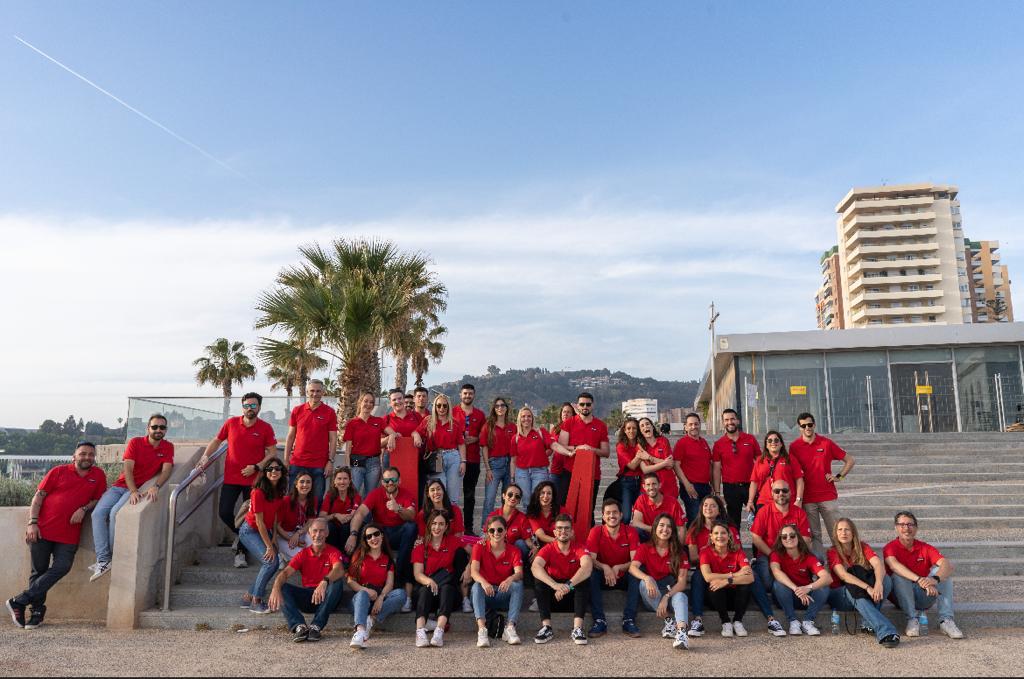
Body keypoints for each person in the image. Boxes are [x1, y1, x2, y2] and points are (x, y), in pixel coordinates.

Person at [7, 442, 106, 630]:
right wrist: (32, 523)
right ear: (74, 456)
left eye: (91, 454)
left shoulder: (98, 475)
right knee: (38, 571)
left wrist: (84, 508)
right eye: (83, 454)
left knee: (62, 566)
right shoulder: (58, 471)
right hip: (42, 529)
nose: (87, 457)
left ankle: (19, 600)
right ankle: (36, 612)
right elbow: (38, 496)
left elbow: (98, 498)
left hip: (69, 534)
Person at [89, 414, 174, 581]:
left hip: (139, 488)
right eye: (154, 427)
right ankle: (104, 559)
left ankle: (107, 559)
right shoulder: (136, 442)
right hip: (122, 486)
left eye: (162, 427)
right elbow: (128, 469)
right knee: (97, 514)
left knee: (115, 513)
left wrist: (156, 486)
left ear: (166, 430)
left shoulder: (167, 447)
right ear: (148, 428)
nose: (158, 430)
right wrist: (133, 490)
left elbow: (166, 470)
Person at [199, 393, 278, 569]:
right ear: (242, 407)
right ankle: (242, 534)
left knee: (250, 517)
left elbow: (272, 453)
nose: (250, 408)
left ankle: (241, 554)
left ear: (259, 407)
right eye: (247, 405)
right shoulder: (231, 423)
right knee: (224, 512)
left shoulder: (265, 428)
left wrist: (256, 467)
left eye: (253, 405)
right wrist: (205, 457)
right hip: (231, 479)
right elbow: (216, 441)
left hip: (255, 482)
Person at [347, 467, 417, 612]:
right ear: (382, 481)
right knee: (363, 528)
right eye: (387, 480)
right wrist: (353, 534)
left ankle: (399, 574)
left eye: (393, 479)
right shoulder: (375, 494)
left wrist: (398, 508)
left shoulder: (406, 494)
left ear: (399, 481)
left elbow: (411, 515)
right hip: (381, 534)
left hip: (399, 533)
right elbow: (360, 513)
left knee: (411, 527)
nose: (390, 482)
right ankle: (356, 575)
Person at [884, 511, 963, 639]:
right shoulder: (890, 547)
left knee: (943, 573)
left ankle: (946, 620)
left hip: (924, 594)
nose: (906, 528)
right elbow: (894, 566)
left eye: (910, 524)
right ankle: (912, 619)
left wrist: (934, 579)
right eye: (902, 524)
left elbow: (946, 564)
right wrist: (920, 580)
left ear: (916, 528)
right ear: (896, 528)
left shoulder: (924, 547)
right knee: (898, 575)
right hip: (900, 596)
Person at [266, 518, 345, 642]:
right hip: (309, 597)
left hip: (327, 598)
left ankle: (316, 627)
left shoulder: (333, 552)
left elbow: (339, 570)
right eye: (315, 531)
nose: (318, 535)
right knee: (282, 587)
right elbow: (285, 573)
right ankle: (300, 627)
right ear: (309, 533)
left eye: (321, 531)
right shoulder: (303, 554)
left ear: (327, 533)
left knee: (337, 583)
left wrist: (324, 581)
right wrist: (275, 588)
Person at [749, 479, 810, 636]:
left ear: (790, 492)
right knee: (768, 584)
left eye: (784, 490)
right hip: (769, 554)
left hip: (793, 554)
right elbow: (756, 538)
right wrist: (772, 554)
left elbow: (806, 539)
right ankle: (758, 567)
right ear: (772, 493)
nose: (781, 494)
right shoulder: (764, 511)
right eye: (777, 491)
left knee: (818, 559)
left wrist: (792, 554)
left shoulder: (799, 512)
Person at [788, 412, 854, 557]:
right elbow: (794, 473)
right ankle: (819, 564)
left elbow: (850, 460)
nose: (807, 427)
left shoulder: (826, 443)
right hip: (807, 498)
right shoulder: (794, 447)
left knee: (837, 533)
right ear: (799, 428)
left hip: (827, 497)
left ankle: (844, 562)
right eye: (803, 426)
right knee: (814, 536)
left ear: (814, 425)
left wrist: (839, 477)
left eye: (809, 424)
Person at [826, 518, 900, 647]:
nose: (843, 533)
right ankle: (886, 630)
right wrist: (868, 588)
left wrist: (878, 584)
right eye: (840, 530)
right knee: (853, 589)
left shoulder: (863, 547)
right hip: (840, 596)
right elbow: (843, 575)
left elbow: (878, 564)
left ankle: (867, 623)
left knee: (886, 580)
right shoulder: (832, 551)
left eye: (847, 529)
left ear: (853, 532)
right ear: (835, 533)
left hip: (861, 593)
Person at [627, 514, 691, 650]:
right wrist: (647, 578)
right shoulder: (645, 547)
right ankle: (669, 620)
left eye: (669, 526)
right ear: (655, 528)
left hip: (671, 591)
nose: (665, 529)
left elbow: (682, 583)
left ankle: (682, 633)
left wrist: (666, 597)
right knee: (643, 584)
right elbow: (632, 568)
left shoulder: (679, 552)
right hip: (653, 594)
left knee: (681, 596)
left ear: (673, 531)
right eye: (661, 525)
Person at [683, 495, 740, 638]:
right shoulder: (694, 529)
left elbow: (737, 551)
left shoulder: (730, 528)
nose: (708, 508)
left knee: (752, 575)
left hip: (727, 568)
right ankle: (698, 620)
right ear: (701, 509)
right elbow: (693, 558)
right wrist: (710, 555)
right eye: (705, 505)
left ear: (720, 509)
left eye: (713, 505)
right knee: (697, 576)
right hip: (705, 569)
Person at [531, 514, 593, 645]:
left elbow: (587, 566)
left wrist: (568, 586)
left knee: (584, 579)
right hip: (554, 596)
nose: (563, 531)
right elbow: (535, 567)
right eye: (559, 528)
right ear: (554, 532)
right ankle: (546, 627)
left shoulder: (579, 547)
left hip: (572, 595)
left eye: (566, 528)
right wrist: (555, 585)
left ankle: (577, 629)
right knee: (539, 580)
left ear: (572, 532)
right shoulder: (548, 548)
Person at [586, 499, 641, 638]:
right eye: (608, 513)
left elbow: (635, 560)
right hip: (603, 576)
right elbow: (591, 559)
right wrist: (605, 567)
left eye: (615, 512)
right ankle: (599, 621)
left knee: (636, 574)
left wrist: (619, 567)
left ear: (621, 515)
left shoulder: (630, 532)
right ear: (603, 516)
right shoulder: (596, 531)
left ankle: (629, 620)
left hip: (622, 576)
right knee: (590, 574)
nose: (612, 516)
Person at [554, 393, 610, 529]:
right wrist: (577, 448)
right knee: (566, 508)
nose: (585, 407)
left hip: (592, 474)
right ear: (577, 406)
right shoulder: (569, 423)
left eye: (588, 404)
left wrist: (591, 449)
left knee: (588, 510)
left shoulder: (600, 425)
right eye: (582, 404)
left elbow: (606, 452)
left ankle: (588, 539)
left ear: (592, 405)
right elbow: (561, 445)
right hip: (569, 472)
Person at [239, 458, 288, 613]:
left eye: (277, 468)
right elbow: (259, 522)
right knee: (270, 562)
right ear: (264, 472)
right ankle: (256, 601)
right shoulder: (258, 492)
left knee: (273, 563)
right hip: (249, 531)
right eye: (270, 469)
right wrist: (269, 546)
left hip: (266, 530)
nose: (274, 471)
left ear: (282, 471)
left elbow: (275, 516)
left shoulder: (279, 490)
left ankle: (248, 597)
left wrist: (274, 537)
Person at [347, 523, 405, 649]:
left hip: (378, 601)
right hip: (361, 600)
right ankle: (360, 632)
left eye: (376, 534)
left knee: (401, 594)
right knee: (362, 594)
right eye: (369, 536)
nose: (373, 538)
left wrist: (381, 597)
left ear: (382, 536)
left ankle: (370, 621)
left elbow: (389, 584)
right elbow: (350, 581)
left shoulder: (387, 559)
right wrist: (366, 590)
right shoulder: (359, 555)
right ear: (366, 540)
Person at [470, 515, 525, 648]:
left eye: (500, 530)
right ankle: (482, 630)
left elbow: (519, 573)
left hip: (502, 593)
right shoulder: (479, 547)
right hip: (485, 594)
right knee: (477, 586)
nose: (496, 533)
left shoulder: (514, 550)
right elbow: (474, 572)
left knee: (518, 585)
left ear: (506, 531)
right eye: (492, 530)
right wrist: (484, 582)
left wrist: (510, 579)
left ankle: (510, 628)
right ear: (487, 532)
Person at [412, 509, 463, 648]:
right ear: (429, 525)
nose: (437, 527)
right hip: (427, 593)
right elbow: (417, 574)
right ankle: (420, 632)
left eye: (441, 524)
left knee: (447, 589)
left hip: (447, 595)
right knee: (425, 590)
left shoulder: (453, 541)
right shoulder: (421, 546)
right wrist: (429, 581)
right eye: (434, 523)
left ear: (446, 526)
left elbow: (475, 550)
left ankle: (439, 632)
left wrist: (469, 567)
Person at [770, 524, 831, 636]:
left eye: (792, 535)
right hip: (785, 597)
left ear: (798, 536)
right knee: (778, 584)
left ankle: (807, 621)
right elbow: (776, 572)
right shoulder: (776, 554)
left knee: (824, 587)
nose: (788, 538)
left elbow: (827, 578)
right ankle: (793, 621)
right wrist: (796, 589)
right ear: (781, 540)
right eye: (784, 537)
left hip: (806, 598)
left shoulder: (808, 556)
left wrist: (808, 588)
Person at [284, 379, 338, 502]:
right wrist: (286, 460)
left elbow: (333, 438)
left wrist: (330, 461)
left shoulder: (330, 412)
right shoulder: (297, 410)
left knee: (317, 500)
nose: (315, 394)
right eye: (312, 391)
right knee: (292, 499)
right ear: (307, 392)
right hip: (297, 463)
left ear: (323, 392)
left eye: (318, 391)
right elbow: (291, 436)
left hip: (319, 465)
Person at [699, 521, 754, 638]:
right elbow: (707, 577)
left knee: (745, 585)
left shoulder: (738, 551)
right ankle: (726, 622)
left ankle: (738, 621)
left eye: (723, 533)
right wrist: (734, 574)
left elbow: (750, 577)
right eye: (716, 533)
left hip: (735, 599)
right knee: (714, 584)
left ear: (729, 536)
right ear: (711, 537)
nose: (720, 536)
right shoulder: (705, 551)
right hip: (716, 600)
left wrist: (727, 581)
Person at [712, 409, 760, 528]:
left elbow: (760, 461)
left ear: (738, 420)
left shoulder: (750, 439)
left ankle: (759, 541)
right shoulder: (718, 444)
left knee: (759, 520)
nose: (730, 422)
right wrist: (717, 492)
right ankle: (735, 541)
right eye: (726, 420)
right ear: (723, 423)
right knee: (733, 523)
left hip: (751, 486)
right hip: (730, 488)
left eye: (732, 419)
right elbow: (716, 469)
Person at [417, 393, 467, 505]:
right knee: (439, 489)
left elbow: (461, 444)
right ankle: (438, 514)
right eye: (439, 405)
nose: (442, 408)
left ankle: (452, 514)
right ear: (435, 406)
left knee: (453, 491)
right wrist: (416, 436)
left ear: (448, 407)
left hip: (453, 457)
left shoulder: (454, 423)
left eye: (445, 405)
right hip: (437, 458)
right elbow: (416, 432)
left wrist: (463, 462)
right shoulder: (428, 421)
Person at [745, 431, 804, 516]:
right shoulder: (760, 461)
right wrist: (750, 501)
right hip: (764, 502)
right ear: (766, 445)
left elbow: (799, 480)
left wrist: (798, 500)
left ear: (781, 444)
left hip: (786, 501)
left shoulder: (790, 459)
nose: (773, 442)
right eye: (770, 441)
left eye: (776, 440)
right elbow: (754, 482)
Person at [671, 412, 714, 527]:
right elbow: (676, 465)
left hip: (705, 487)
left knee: (706, 520)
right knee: (695, 520)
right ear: (685, 427)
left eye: (696, 424)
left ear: (700, 425)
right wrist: (687, 485)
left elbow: (709, 465)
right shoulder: (682, 443)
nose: (694, 427)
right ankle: (689, 539)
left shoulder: (704, 442)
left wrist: (713, 487)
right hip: (691, 487)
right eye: (690, 424)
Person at [342, 392, 385, 499]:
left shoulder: (379, 421)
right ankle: (353, 511)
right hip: (356, 463)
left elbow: (392, 432)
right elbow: (348, 450)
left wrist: (392, 436)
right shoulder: (352, 423)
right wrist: (347, 468)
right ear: (360, 402)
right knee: (353, 493)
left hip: (374, 464)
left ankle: (366, 511)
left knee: (370, 496)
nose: (368, 404)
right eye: (366, 401)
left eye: (371, 402)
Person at [456, 384, 487, 534]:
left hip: (473, 459)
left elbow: (484, 434)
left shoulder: (480, 415)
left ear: (474, 395)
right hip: (455, 459)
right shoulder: (452, 412)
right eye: (465, 393)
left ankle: (468, 528)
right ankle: (452, 528)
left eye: (470, 393)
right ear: (460, 395)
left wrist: (475, 439)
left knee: (469, 496)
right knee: (451, 495)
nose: (467, 396)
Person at [481, 397, 516, 517]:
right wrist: (488, 469)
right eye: (497, 406)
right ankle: (485, 526)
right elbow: (484, 448)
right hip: (494, 465)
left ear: (506, 408)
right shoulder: (488, 426)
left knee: (508, 501)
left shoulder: (513, 427)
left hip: (510, 465)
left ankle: (506, 525)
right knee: (489, 500)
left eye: (502, 405)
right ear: (494, 409)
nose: (500, 408)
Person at [511, 406, 553, 502]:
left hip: (539, 472)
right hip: (522, 473)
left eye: (529, 416)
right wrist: (512, 478)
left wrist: (568, 452)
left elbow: (552, 447)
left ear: (532, 418)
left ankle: (536, 513)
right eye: (523, 416)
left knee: (538, 499)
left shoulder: (540, 432)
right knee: (526, 500)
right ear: (519, 419)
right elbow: (513, 461)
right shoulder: (515, 438)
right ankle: (527, 513)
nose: (526, 418)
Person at [276, 472, 319, 561]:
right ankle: (280, 554)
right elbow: (277, 526)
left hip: (301, 532)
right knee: (301, 557)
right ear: (296, 484)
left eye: (308, 482)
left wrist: (298, 533)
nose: (305, 485)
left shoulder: (313, 500)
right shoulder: (286, 500)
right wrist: (291, 539)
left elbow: (310, 521)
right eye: (302, 482)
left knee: (315, 548)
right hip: (284, 535)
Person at [485, 483, 532, 563]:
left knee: (520, 543)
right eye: (510, 494)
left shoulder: (522, 518)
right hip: (497, 550)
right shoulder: (493, 515)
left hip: (514, 554)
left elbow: (528, 540)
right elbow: (487, 536)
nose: (513, 498)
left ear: (519, 501)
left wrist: (534, 548)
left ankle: (520, 565)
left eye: (517, 496)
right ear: (503, 496)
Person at [630, 473, 685, 541]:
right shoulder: (641, 499)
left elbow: (681, 527)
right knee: (636, 530)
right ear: (644, 487)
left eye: (654, 484)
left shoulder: (672, 502)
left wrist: (679, 546)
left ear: (660, 485)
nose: (651, 487)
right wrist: (655, 529)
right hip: (649, 536)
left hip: (667, 536)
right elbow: (636, 522)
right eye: (648, 485)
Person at [614, 418, 649, 526]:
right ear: (624, 430)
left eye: (634, 428)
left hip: (642, 482)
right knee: (626, 516)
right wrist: (641, 453)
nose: (631, 431)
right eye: (628, 428)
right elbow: (632, 466)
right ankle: (622, 535)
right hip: (627, 483)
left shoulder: (642, 443)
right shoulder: (621, 446)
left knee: (643, 514)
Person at [382, 388, 423, 474]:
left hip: (413, 458)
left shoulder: (416, 416)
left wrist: (416, 434)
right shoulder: (386, 419)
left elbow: (424, 435)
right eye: (394, 399)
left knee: (412, 482)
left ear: (404, 400)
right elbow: (378, 443)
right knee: (392, 482)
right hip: (391, 458)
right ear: (390, 403)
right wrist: (391, 437)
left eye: (400, 398)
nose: (397, 401)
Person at [319, 467, 360, 552]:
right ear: (334, 481)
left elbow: (354, 515)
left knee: (346, 528)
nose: (342, 482)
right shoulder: (330, 496)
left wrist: (347, 517)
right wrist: (336, 515)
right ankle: (331, 554)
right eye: (339, 478)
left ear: (349, 481)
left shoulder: (355, 496)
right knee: (329, 527)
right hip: (333, 528)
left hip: (348, 528)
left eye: (345, 479)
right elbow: (322, 517)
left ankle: (346, 555)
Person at [638, 417, 678, 501]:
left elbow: (670, 465)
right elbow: (645, 470)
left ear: (652, 427)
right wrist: (664, 463)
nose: (646, 426)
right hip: (650, 488)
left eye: (647, 424)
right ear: (640, 431)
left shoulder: (663, 441)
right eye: (642, 426)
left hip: (668, 486)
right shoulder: (639, 446)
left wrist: (650, 458)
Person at [549, 403, 576, 507]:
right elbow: (551, 448)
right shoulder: (555, 429)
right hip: (556, 468)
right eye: (564, 411)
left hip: (570, 468)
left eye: (569, 412)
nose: (565, 414)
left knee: (565, 500)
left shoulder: (576, 429)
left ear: (573, 414)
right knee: (553, 499)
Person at [525, 481, 558, 550]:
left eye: (549, 493)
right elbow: (541, 536)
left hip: (560, 547)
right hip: (540, 547)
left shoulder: (561, 510)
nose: (545, 496)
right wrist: (560, 542)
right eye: (542, 493)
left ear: (553, 496)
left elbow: (571, 533)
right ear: (537, 495)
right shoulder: (532, 512)